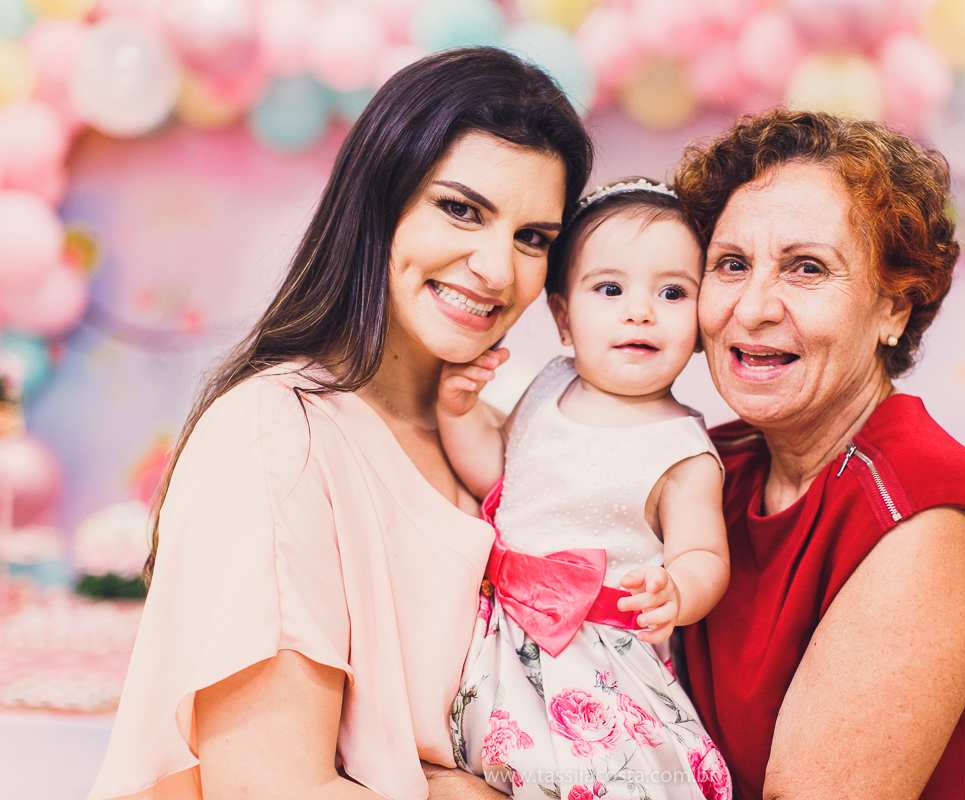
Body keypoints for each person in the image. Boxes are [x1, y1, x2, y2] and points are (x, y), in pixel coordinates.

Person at [88, 48, 592, 800]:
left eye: (533, 238)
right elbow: (274, 790)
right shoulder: (275, 437)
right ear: (378, 199)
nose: (496, 268)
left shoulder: (499, 442)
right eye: (460, 209)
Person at [673, 110, 965, 800]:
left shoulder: (925, 517)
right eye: (731, 264)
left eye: (807, 268)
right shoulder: (710, 465)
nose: (754, 307)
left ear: (895, 309)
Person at [435, 180, 731, 800]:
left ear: (703, 323)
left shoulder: (682, 452)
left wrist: (678, 589)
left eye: (672, 292)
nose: (640, 311)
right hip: (498, 626)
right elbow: (501, 475)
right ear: (565, 318)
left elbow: (704, 553)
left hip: (595, 655)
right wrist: (458, 411)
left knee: (595, 780)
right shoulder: (550, 383)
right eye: (610, 289)